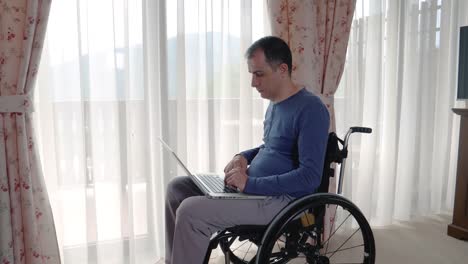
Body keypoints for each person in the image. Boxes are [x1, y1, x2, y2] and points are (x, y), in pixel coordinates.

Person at [165, 36, 330, 264]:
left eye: (259, 74)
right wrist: (242, 156)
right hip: (255, 191)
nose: (253, 83)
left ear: (282, 69)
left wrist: (249, 184)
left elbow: (310, 177)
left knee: (191, 211)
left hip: (282, 201)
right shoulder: (275, 104)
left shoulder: (311, 109)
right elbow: (270, 147)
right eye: (252, 74)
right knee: (178, 188)